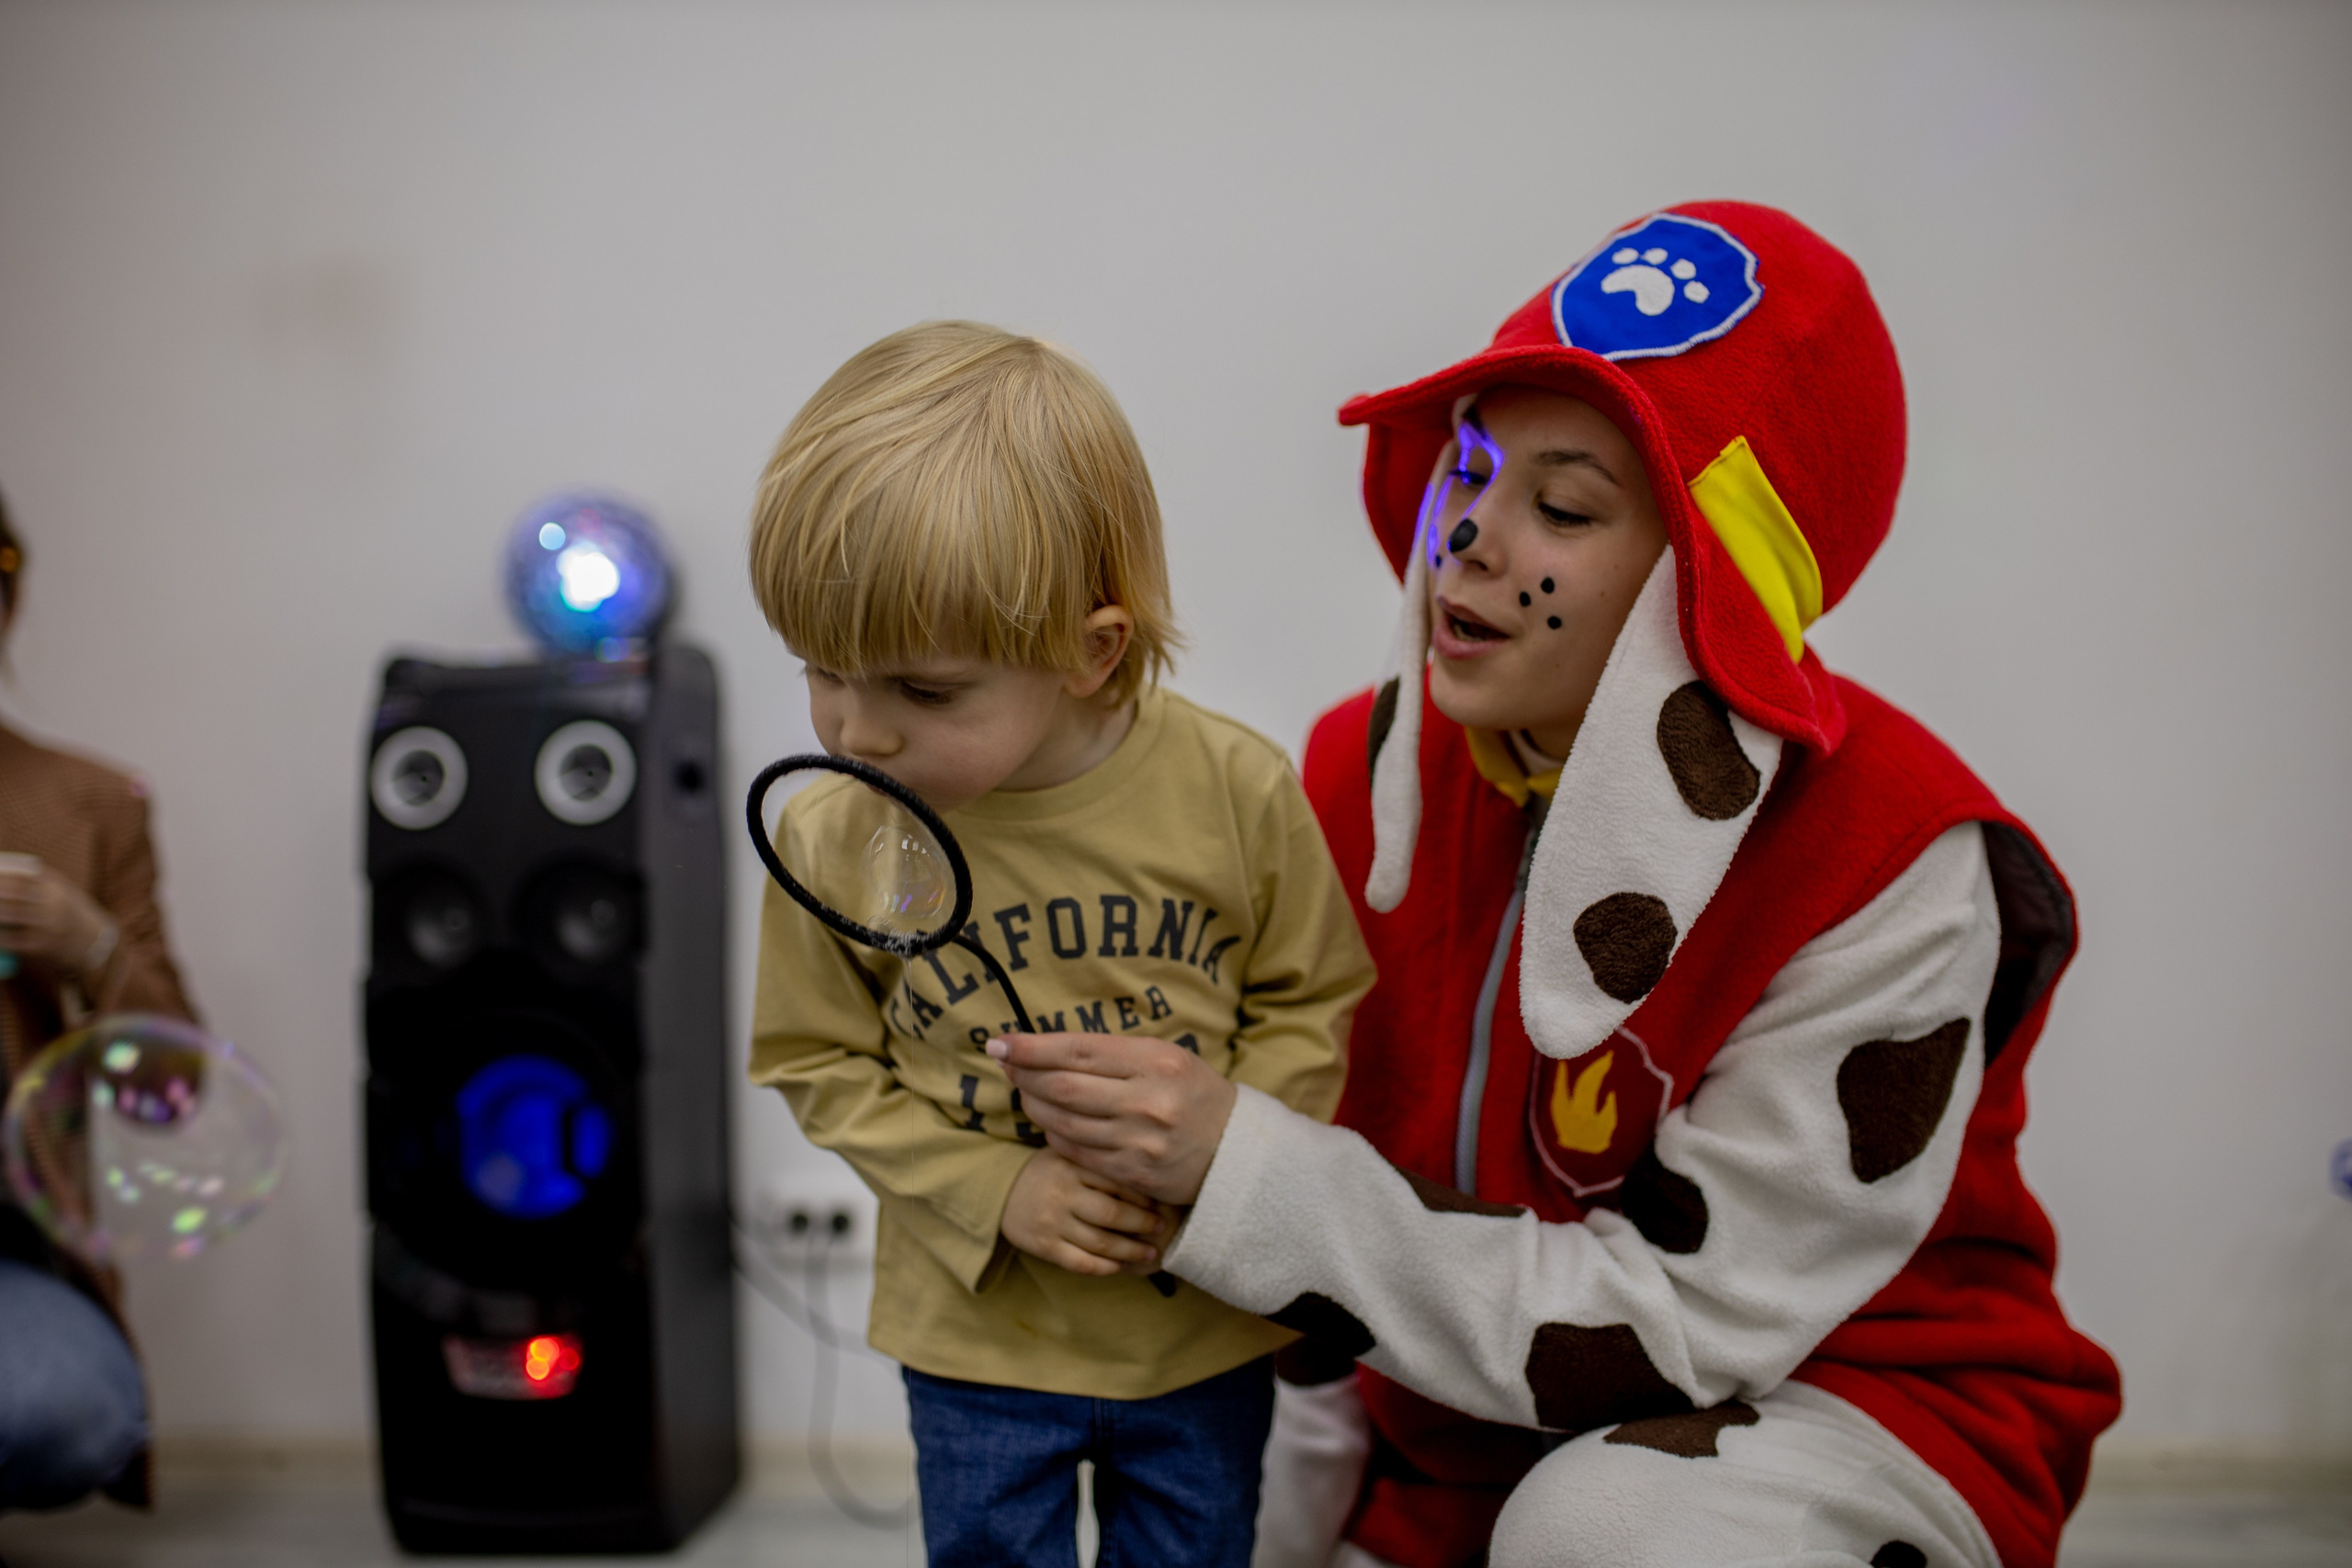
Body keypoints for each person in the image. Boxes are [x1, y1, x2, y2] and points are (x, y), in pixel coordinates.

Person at [993, 203, 2122, 1568]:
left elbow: (1682, 1326)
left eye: (1565, 505)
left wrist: (1240, 1169)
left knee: (1603, 1527)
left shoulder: (1897, 860)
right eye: (1467, 465)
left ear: (1709, 578)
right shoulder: (1359, 767)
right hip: (1464, 1444)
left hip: (1854, 1411)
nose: (1468, 530)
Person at [745, 321, 1376, 1568]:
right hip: (975, 1341)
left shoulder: (1235, 789)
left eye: (922, 692)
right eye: (823, 672)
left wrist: (1223, 1152)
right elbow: (817, 1060)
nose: (855, 731)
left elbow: (1316, 997)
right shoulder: (835, 833)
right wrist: (1000, 1189)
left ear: (1092, 652)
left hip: (1198, 1331)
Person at [0, 493, 201, 1513]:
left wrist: (91, 946)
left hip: (13, 1250)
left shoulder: (89, 806)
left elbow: (176, 1086)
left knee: (64, 1411)